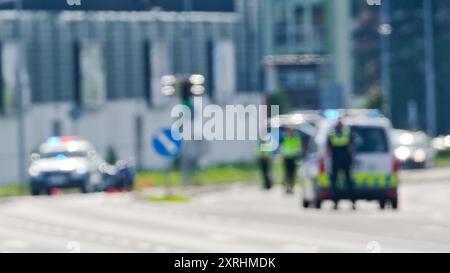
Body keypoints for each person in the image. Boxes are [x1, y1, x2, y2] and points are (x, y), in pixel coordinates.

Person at [327, 118, 355, 210]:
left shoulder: (337, 133)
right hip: (341, 161)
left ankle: (351, 202)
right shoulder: (335, 134)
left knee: (346, 182)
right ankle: (337, 203)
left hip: (340, 161)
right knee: (339, 183)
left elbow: (328, 149)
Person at [281, 127, 303, 194]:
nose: (290, 132)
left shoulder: (296, 138)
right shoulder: (285, 138)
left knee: (293, 174)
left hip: (293, 158)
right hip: (286, 158)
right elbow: (282, 147)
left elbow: (299, 147)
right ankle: (287, 187)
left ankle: (291, 187)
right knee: (287, 174)